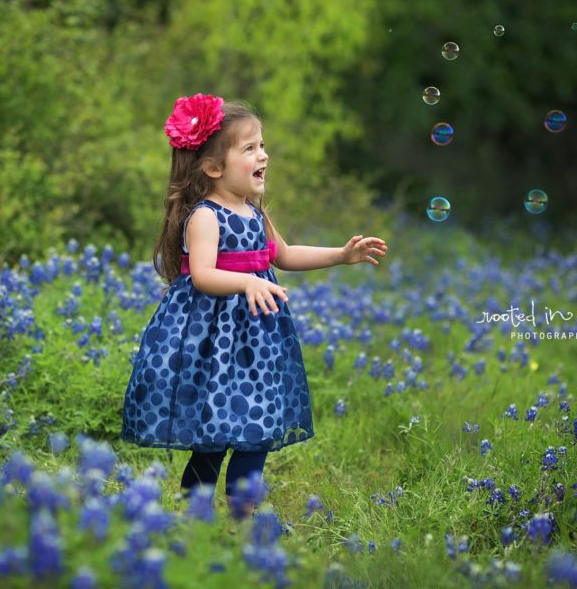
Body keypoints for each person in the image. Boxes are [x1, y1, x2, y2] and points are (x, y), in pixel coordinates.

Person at [120, 93, 388, 519]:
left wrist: (340, 254)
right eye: (249, 148)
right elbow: (203, 275)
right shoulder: (205, 216)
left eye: (262, 145)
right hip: (214, 344)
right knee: (214, 430)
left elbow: (283, 255)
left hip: (258, 343)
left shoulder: (255, 213)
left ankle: (241, 516)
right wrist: (246, 281)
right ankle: (196, 513)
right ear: (212, 167)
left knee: (257, 423)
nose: (263, 155)